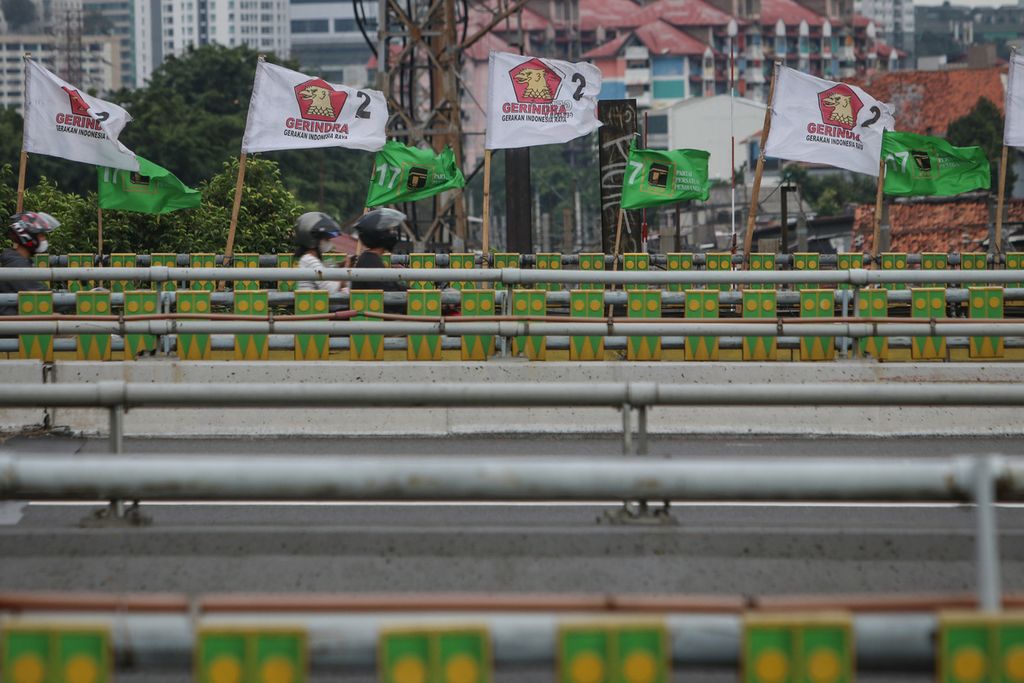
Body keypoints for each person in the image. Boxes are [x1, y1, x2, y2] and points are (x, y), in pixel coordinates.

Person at [1, 212, 60, 316]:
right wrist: (76, 298)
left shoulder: (18, 261)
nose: (44, 239)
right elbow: (41, 296)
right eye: (41, 235)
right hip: (12, 328)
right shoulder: (16, 266)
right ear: (28, 237)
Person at [351, 208, 407, 292]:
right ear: (380, 235)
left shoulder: (370, 258)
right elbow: (389, 291)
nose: (392, 234)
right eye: (389, 231)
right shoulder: (370, 262)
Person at [293, 211, 345, 293]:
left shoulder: (310, 259)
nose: (329, 242)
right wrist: (347, 270)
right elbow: (331, 289)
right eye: (326, 239)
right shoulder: (309, 260)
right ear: (314, 239)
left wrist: (340, 268)